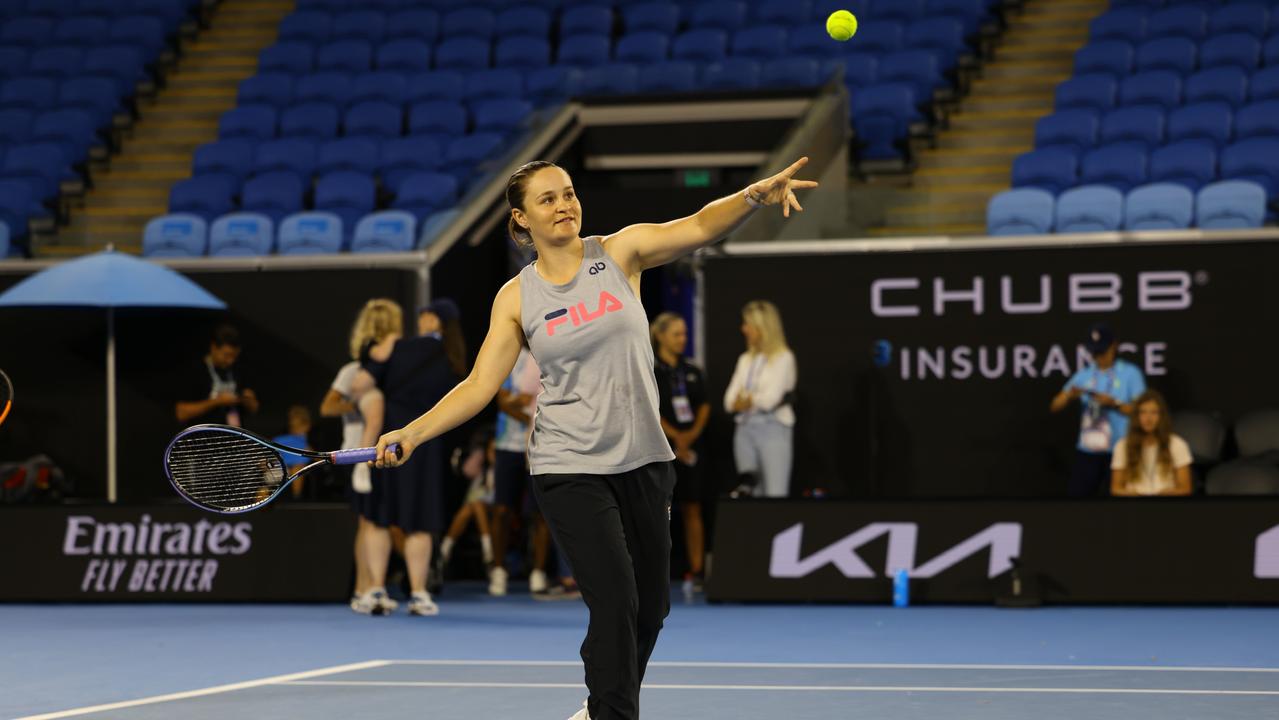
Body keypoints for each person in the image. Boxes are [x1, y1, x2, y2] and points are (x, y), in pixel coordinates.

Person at [373, 157, 817, 720]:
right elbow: (480, 384)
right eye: (548, 199)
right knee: (615, 601)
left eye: (569, 193)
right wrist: (413, 433)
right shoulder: (516, 297)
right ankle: (612, 713)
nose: (564, 205)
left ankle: (599, 699)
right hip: (568, 463)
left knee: (650, 610)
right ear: (521, 219)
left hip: (644, 458)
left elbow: (701, 225)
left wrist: (753, 195)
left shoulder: (621, 252)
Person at [363, 297, 467, 616]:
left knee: (380, 516)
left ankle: (377, 589)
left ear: (436, 322)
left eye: (426, 316)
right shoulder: (455, 359)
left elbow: (363, 380)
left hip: (389, 440)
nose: (421, 320)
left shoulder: (397, 347)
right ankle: (419, 593)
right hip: (427, 444)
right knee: (420, 520)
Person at [320, 298, 401, 615]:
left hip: (388, 454)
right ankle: (369, 589)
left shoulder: (394, 372)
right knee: (370, 522)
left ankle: (364, 589)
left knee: (370, 523)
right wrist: (363, 406)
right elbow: (328, 407)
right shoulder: (353, 371)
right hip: (357, 456)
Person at [1050, 322, 1146, 497]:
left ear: (1114, 345)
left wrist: (1114, 404)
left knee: (1121, 502)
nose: (1099, 356)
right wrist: (1068, 396)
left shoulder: (1131, 374)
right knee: (1077, 501)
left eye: (1103, 350)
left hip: (1120, 450)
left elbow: (1143, 412)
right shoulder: (1084, 375)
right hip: (1089, 450)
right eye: (1094, 351)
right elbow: (1055, 405)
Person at [488, 346, 555, 597]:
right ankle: (498, 570)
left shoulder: (544, 354)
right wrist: (529, 414)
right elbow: (502, 400)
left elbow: (517, 400)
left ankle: (538, 573)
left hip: (539, 445)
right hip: (507, 444)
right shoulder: (505, 357)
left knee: (540, 513)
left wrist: (527, 411)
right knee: (502, 509)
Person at [650, 312, 710, 591]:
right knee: (658, 510)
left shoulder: (692, 370)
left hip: (691, 449)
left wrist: (690, 436)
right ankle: (656, 571)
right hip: (659, 448)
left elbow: (704, 405)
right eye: (677, 334)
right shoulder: (649, 369)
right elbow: (647, 405)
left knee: (693, 506)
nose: (682, 339)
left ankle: (696, 570)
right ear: (660, 336)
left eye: (685, 334)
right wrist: (674, 437)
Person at [722, 300, 797, 499]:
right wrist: (748, 401)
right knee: (748, 490)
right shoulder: (745, 359)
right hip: (745, 430)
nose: (743, 329)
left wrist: (747, 400)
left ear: (762, 327)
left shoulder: (783, 358)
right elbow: (729, 401)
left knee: (775, 492)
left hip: (773, 429)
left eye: (748, 324)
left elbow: (770, 400)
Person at [1111, 389, 1193, 497]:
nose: (1148, 418)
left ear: (1161, 416)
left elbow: (1185, 489)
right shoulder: (1122, 446)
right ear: (1137, 416)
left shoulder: (1177, 444)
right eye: (1143, 412)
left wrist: (1166, 494)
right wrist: (1133, 495)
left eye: (1154, 412)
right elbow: (1116, 489)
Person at [175, 324, 259, 427]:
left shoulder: (238, 370)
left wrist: (248, 401)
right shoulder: (195, 371)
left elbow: (254, 409)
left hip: (233, 437)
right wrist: (217, 402)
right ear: (213, 347)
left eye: (234, 356)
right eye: (226, 355)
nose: (230, 361)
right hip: (202, 437)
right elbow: (181, 413)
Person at [440, 433, 495, 569]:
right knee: (472, 507)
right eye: (490, 450)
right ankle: (487, 549)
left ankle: (445, 548)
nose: (492, 454)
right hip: (472, 509)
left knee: (476, 505)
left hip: (492, 509)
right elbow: (466, 470)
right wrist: (481, 453)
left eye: (495, 451)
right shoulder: (481, 469)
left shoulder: (503, 471)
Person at [272, 405, 313, 499]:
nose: (293, 422)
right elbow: (272, 457)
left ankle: (296, 501)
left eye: (300, 423)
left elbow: (314, 457)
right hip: (281, 468)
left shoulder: (307, 440)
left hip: (299, 467)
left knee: (297, 469)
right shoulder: (280, 439)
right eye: (292, 419)